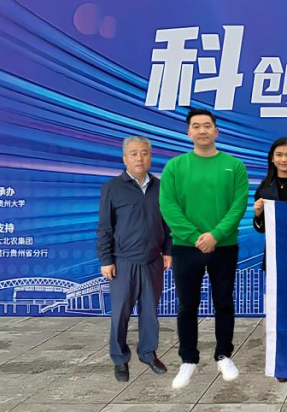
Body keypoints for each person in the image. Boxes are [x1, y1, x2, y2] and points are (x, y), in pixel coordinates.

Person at [159, 108, 249, 389]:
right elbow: (168, 205)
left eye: (207, 125)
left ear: (216, 131)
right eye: (196, 126)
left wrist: (216, 235)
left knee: (223, 302)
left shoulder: (234, 166)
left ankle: (224, 355)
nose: (202, 130)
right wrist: (196, 236)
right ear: (188, 132)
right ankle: (188, 359)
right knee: (187, 305)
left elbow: (239, 205)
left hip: (224, 246)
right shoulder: (175, 166)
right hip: (186, 247)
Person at [96, 135, 172, 382]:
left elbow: (168, 223)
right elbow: (105, 227)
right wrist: (106, 260)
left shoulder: (162, 187)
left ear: (150, 157)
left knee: (150, 312)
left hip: (153, 261)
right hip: (123, 262)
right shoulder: (112, 188)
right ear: (125, 158)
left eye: (144, 153)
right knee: (120, 314)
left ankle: (148, 353)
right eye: (134, 153)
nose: (140, 158)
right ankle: (120, 359)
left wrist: (168, 251)